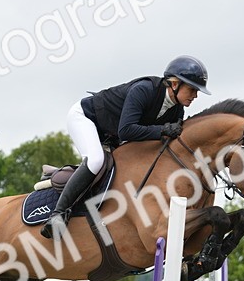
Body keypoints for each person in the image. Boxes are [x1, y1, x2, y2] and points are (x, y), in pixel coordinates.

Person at [41, 55, 210, 239]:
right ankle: (58, 214)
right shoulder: (144, 90)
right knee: (96, 160)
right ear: (175, 84)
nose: (195, 95)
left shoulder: (177, 110)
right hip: (87, 119)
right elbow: (126, 131)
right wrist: (162, 130)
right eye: (192, 89)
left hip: (110, 133)